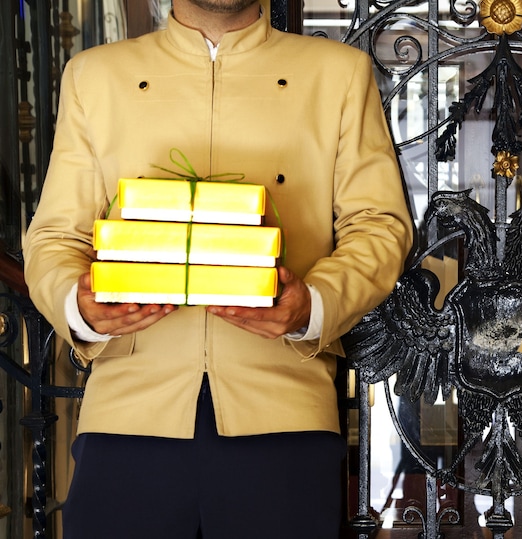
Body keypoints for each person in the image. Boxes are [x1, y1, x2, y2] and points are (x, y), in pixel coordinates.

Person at [22, 0, 413, 536]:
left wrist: (313, 306)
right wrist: (80, 306)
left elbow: (379, 225)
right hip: (127, 414)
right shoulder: (94, 75)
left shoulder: (340, 73)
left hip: (285, 414)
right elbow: (54, 238)